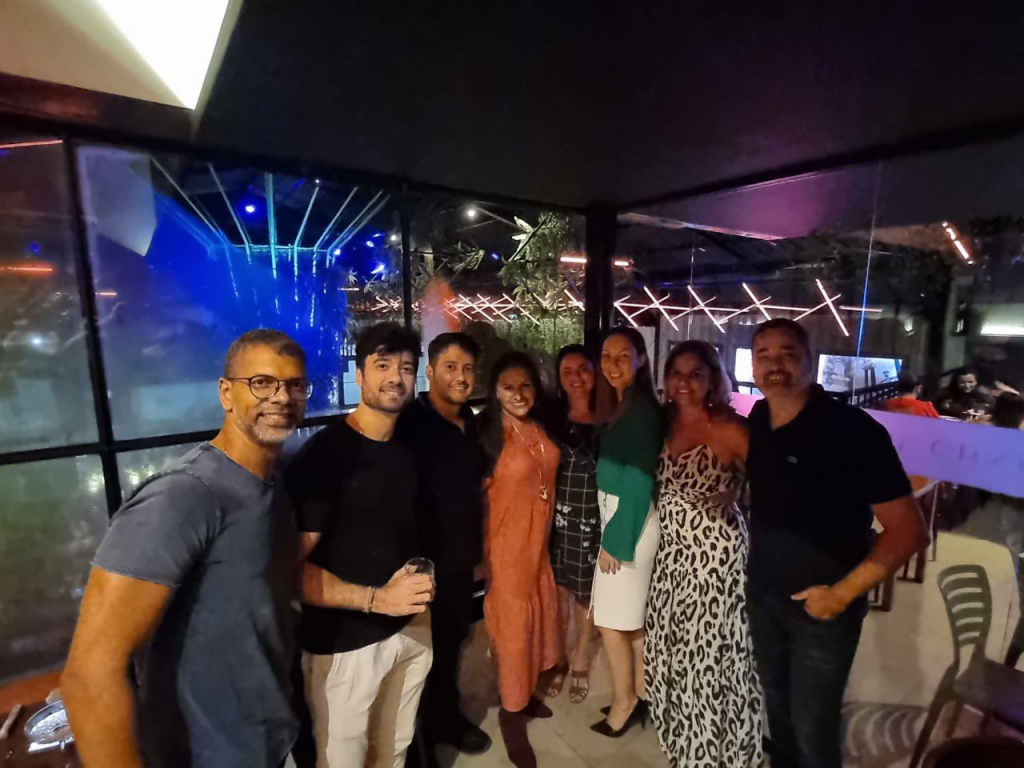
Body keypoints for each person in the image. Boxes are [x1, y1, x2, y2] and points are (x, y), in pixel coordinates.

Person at [63, 329, 311, 768]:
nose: (281, 397)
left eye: (294, 385)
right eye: (262, 383)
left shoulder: (271, 484)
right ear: (226, 393)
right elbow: (89, 673)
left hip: (267, 740)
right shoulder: (184, 496)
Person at [746, 319, 928, 768]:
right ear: (752, 366)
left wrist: (841, 595)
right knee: (778, 716)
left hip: (823, 613)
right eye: (764, 355)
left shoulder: (853, 430)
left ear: (810, 362)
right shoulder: (758, 418)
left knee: (814, 734)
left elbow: (908, 531)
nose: (774, 364)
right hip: (765, 598)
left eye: (787, 353)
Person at [286, 322, 435, 768]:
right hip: (346, 646)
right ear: (359, 374)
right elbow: (286, 570)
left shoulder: (408, 448)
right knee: (342, 760)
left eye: (405, 368)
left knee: (393, 752)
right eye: (382, 365)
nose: (395, 377)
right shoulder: (325, 456)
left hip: (411, 630)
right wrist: (377, 600)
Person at [645, 341, 763, 768]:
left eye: (696, 373)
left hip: (716, 558)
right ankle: (682, 739)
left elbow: (772, 485)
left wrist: (738, 492)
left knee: (708, 658)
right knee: (673, 649)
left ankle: (713, 751)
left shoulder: (729, 428)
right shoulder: (665, 422)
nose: (685, 382)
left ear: (714, 378)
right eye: (677, 373)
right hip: (672, 556)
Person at [396, 332, 491, 767]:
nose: (461, 376)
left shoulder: (470, 421)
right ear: (430, 371)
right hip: (421, 563)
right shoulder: (411, 425)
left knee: (451, 645)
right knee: (417, 655)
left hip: (459, 559)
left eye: (468, 368)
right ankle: (417, 745)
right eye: (450, 367)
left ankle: (445, 720)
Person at [479, 352, 563, 768]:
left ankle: (525, 694)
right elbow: (472, 499)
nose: (518, 393)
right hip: (506, 548)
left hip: (537, 546)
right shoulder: (488, 436)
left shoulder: (538, 426)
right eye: (508, 386)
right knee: (513, 633)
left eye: (525, 385)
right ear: (495, 390)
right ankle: (511, 718)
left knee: (536, 625)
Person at [590, 327, 663, 737]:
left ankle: (625, 702)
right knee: (631, 619)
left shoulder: (640, 412)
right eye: (606, 356)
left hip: (629, 520)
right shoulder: (625, 405)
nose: (613, 364)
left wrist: (615, 541)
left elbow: (638, 481)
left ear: (641, 359)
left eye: (623, 356)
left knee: (609, 621)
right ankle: (642, 692)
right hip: (622, 515)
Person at [546, 344, 601, 705]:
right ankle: (558, 658)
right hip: (556, 515)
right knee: (557, 594)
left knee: (585, 593)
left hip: (593, 516)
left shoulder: (609, 417)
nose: (576, 377)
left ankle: (580, 657)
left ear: (595, 373)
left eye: (583, 369)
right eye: (567, 371)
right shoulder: (551, 416)